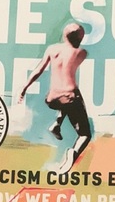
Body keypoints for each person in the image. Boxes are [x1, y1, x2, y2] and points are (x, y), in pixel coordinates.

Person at [18, 23, 91, 174]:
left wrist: (24, 87)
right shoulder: (81, 53)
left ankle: (57, 123)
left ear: (64, 36)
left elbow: (39, 70)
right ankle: (73, 153)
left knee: (66, 102)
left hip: (52, 98)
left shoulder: (52, 50)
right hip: (70, 96)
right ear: (80, 38)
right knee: (84, 134)